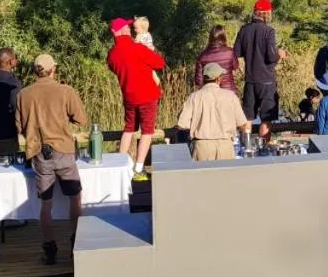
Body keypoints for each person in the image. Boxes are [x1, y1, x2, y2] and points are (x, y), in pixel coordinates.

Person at [17, 53, 89, 265]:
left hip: (39, 153)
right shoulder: (66, 91)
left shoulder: (23, 95)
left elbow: (19, 127)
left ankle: (49, 249)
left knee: (45, 204)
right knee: (75, 198)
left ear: (34, 71)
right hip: (64, 150)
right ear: (53, 70)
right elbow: (81, 119)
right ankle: (76, 244)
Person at [107, 17, 167, 178]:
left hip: (129, 97)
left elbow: (115, 68)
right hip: (147, 95)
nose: (129, 29)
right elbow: (160, 63)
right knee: (147, 131)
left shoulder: (112, 55)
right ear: (123, 31)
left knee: (129, 129)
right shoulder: (137, 48)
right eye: (127, 27)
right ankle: (139, 168)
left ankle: (120, 163)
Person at [233, 0, 287, 139]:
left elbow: (236, 53)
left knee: (247, 118)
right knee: (266, 119)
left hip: (250, 80)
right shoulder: (268, 31)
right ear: (266, 13)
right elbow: (271, 57)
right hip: (266, 80)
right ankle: (265, 151)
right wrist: (279, 55)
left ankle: (246, 148)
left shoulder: (244, 30)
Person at [177, 63, 251, 161]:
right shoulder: (230, 96)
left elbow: (182, 124)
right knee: (225, 176)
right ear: (218, 78)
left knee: (203, 176)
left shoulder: (194, 97)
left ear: (204, 78)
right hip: (225, 146)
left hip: (202, 146)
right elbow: (243, 124)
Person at [193, 25, 239, 93]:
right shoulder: (230, 52)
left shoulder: (202, 56)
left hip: (209, 93)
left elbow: (198, 81)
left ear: (210, 38)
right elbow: (236, 66)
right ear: (223, 37)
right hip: (228, 91)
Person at [133, 16, 163, 87]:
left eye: (136, 28)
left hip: (142, 58)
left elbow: (135, 47)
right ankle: (157, 83)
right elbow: (150, 46)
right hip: (149, 56)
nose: (134, 30)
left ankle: (154, 82)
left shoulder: (139, 36)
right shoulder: (148, 35)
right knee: (151, 72)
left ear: (142, 28)